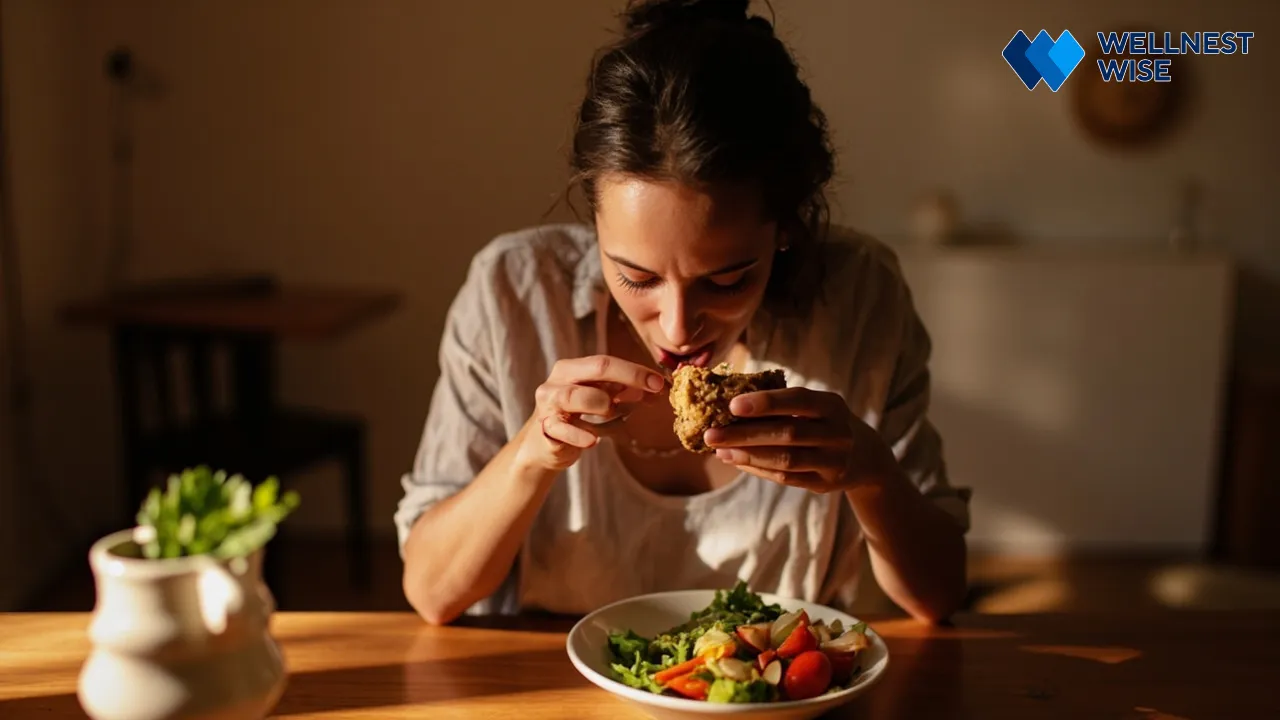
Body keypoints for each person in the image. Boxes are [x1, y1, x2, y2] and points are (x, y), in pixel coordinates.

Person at [397, 0, 971, 626]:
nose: (676, 327)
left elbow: (937, 597)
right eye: (636, 277)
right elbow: (432, 593)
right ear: (593, 219)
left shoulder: (862, 297)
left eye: (726, 280)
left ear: (785, 228)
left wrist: (871, 474)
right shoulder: (513, 294)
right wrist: (533, 453)